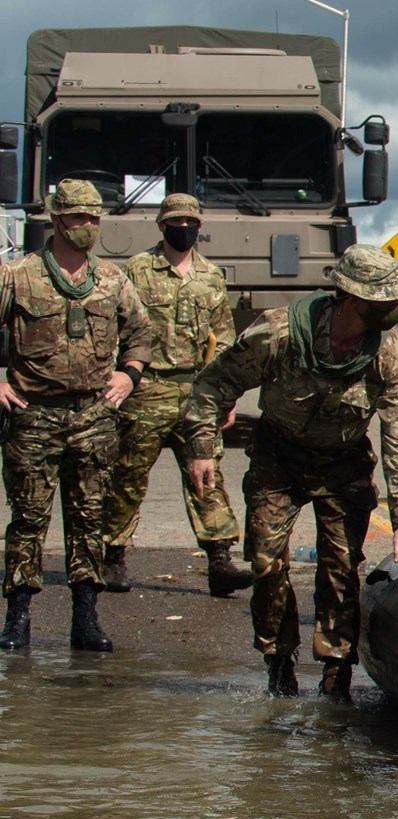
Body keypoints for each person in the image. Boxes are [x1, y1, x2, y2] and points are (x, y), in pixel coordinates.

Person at [182, 245, 398, 702]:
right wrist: (199, 448)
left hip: (344, 461)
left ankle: (336, 677)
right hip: (280, 457)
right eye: (385, 301)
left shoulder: (389, 353)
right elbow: (214, 384)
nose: (396, 309)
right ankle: (279, 666)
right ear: (353, 299)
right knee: (266, 563)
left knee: (339, 569)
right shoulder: (279, 334)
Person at [0, 180, 152, 652]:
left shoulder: (112, 280)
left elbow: (142, 332)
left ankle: (85, 618)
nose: (86, 226)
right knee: (28, 519)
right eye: (77, 218)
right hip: (33, 414)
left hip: (93, 417)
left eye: (93, 218)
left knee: (90, 520)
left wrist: (129, 374)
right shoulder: (18, 276)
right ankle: (17, 617)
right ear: (56, 219)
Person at [100, 193, 251, 598]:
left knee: (207, 475)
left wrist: (226, 394)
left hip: (197, 393)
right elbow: (119, 328)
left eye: (189, 222)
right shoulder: (136, 270)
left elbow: (223, 339)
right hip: (147, 389)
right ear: (162, 226)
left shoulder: (211, 276)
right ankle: (111, 556)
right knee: (128, 476)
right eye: (175, 222)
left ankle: (219, 560)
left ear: (199, 227)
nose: (182, 228)